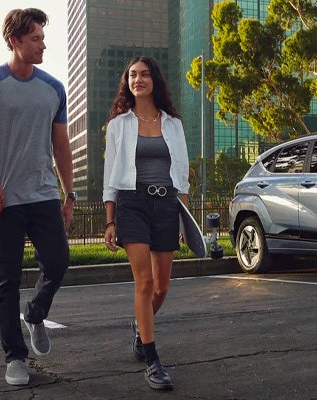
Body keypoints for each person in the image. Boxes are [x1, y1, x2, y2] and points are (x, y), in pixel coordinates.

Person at [0, 8, 74, 387]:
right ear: (15, 41)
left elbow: (61, 145)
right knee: (5, 280)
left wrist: (69, 194)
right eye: (36, 38)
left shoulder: (54, 87)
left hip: (42, 195)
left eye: (42, 37)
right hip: (3, 200)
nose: (43, 44)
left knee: (57, 263)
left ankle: (36, 313)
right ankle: (15, 357)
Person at [102, 56, 190, 391]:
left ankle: (142, 325)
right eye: (132, 75)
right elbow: (111, 176)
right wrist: (109, 220)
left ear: (155, 80)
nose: (138, 79)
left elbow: (181, 175)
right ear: (127, 82)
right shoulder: (118, 125)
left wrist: (184, 218)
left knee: (161, 287)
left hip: (167, 204)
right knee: (144, 281)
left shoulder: (173, 124)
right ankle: (152, 360)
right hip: (132, 203)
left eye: (144, 74)